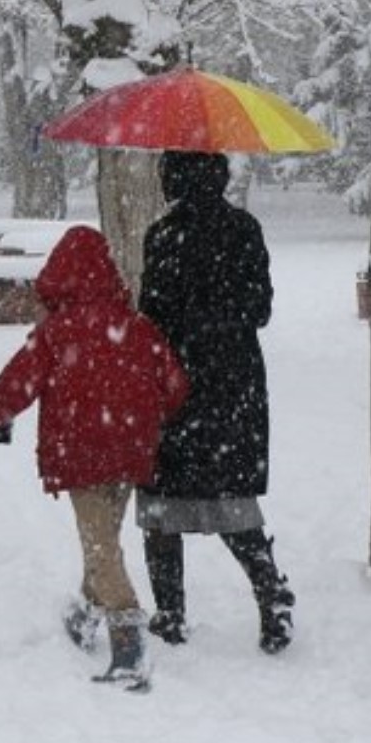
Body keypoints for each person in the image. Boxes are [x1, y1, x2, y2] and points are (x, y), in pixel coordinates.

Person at [0, 225, 189, 690]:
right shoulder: (137, 327)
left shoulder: (56, 332)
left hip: (80, 453)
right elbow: (174, 385)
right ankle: (84, 614)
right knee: (104, 542)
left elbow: (20, 379)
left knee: (100, 547)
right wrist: (143, 416)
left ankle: (129, 644)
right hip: (131, 450)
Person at [137, 150, 296, 654]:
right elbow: (261, 307)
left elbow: (151, 313)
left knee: (163, 499)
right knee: (231, 497)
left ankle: (170, 614)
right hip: (234, 381)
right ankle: (270, 595)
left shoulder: (163, 236)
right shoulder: (244, 229)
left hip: (176, 381)